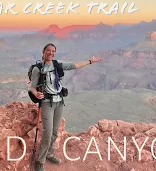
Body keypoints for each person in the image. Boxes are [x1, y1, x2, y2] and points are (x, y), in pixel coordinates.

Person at [29, 43, 102, 171]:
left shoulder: (58, 64)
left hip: (59, 102)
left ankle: (50, 154)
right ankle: (40, 161)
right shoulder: (38, 69)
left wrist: (91, 61)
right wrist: (37, 94)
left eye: (53, 51)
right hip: (47, 103)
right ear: (44, 52)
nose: (51, 53)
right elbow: (32, 87)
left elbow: (75, 65)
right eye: (48, 50)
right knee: (47, 132)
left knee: (55, 132)